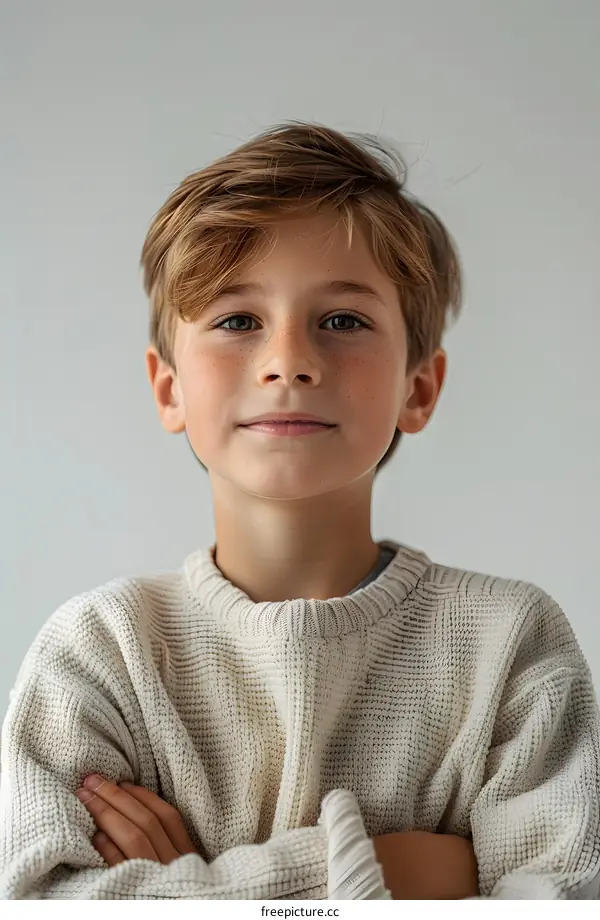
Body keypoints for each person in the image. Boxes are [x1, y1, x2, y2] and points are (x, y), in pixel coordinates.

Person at [1, 122, 599, 901]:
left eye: (343, 321)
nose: (290, 360)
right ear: (169, 387)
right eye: (237, 321)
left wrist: (185, 890)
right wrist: (383, 872)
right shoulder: (100, 652)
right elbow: (40, 903)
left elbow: (564, 898)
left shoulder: (509, 641)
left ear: (418, 388)